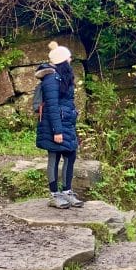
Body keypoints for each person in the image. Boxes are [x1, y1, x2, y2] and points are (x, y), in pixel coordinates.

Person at [35, 41, 83, 209]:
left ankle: (67, 191)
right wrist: (57, 131)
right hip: (54, 124)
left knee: (70, 155)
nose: (70, 60)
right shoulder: (50, 79)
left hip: (67, 123)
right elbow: (53, 107)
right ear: (62, 61)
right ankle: (55, 195)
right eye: (68, 58)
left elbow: (66, 103)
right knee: (54, 157)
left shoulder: (62, 77)